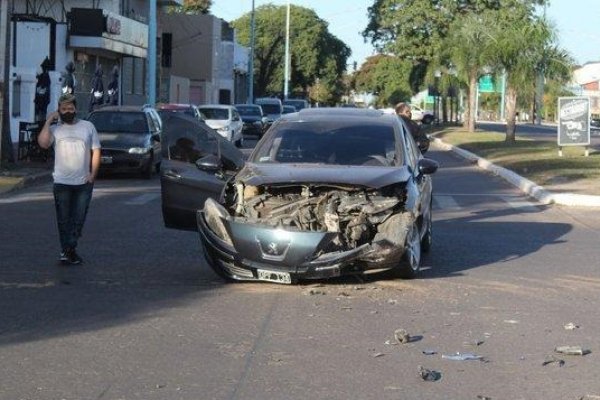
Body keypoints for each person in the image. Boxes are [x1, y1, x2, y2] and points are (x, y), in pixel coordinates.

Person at [38, 93, 101, 265]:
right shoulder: (55, 129)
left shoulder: (88, 127)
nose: (67, 111)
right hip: (61, 183)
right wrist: (49, 120)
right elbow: (43, 143)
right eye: (64, 109)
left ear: (75, 109)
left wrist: (92, 174)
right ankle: (68, 250)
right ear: (59, 110)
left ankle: (68, 249)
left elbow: (96, 150)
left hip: (83, 183)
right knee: (63, 219)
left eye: (70, 108)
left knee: (78, 219)